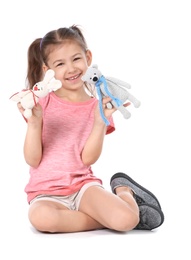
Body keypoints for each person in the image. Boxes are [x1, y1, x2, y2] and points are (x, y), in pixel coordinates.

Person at [17, 25, 164, 233]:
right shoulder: (41, 104)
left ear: (88, 57)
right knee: (41, 219)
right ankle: (104, 219)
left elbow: (88, 159)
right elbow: (33, 159)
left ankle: (124, 190)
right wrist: (34, 123)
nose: (71, 69)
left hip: (83, 188)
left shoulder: (99, 107)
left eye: (76, 59)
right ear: (47, 70)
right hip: (46, 195)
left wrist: (99, 121)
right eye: (60, 63)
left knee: (126, 221)